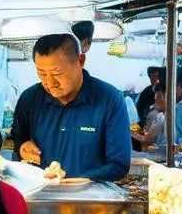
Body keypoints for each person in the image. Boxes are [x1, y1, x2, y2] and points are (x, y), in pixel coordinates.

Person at [11, 34, 131, 181]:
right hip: (43, 196)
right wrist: (22, 148)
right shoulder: (30, 99)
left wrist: (87, 180)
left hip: (90, 197)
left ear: (81, 61)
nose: (49, 83)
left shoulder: (109, 99)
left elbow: (119, 164)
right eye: (41, 74)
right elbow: (18, 141)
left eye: (57, 73)